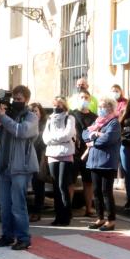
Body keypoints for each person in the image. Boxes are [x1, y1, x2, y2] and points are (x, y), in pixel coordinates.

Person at [0, 85, 39, 251]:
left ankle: (24, 238)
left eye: (19, 99)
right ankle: (7, 235)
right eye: (14, 99)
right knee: (4, 205)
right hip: (5, 166)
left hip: (21, 166)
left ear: (26, 99)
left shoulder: (31, 116)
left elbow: (21, 131)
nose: (16, 102)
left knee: (18, 205)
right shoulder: (8, 115)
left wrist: (4, 118)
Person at [83, 95, 122, 231]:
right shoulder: (97, 122)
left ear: (110, 108)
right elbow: (84, 133)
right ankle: (100, 218)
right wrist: (93, 136)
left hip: (107, 162)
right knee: (96, 191)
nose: (100, 109)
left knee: (106, 191)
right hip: (94, 161)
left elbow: (108, 139)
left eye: (103, 107)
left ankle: (111, 220)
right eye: (99, 107)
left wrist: (93, 141)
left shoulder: (114, 123)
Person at [43, 96, 77, 226]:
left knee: (63, 185)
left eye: (59, 105)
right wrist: (56, 139)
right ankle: (58, 216)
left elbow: (68, 134)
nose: (57, 107)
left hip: (65, 155)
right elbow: (45, 137)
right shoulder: (50, 119)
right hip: (52, 155)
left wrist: (54, 139)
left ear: (64, 106)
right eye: (55, 105)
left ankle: (66, 215)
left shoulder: (70, 118)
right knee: (55, 186)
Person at [70, 89, 98, 217]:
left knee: (88, 182)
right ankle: (67, 208)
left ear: (90, 99)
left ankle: (89, 208)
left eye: (86, 97)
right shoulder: (72, 115)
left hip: (88, 153)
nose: (84, 100)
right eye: (81, 97)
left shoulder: (94, 117)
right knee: (70, 181)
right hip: (74, 153)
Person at [29, 102, 48, 222]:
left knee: (38, 185)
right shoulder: (27, 125)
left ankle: (37, 211)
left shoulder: (45, 125)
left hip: (40, 158)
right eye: (31, 111)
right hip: (27, 157)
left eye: (36, 111)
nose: (34, 113)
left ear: (40, 113)